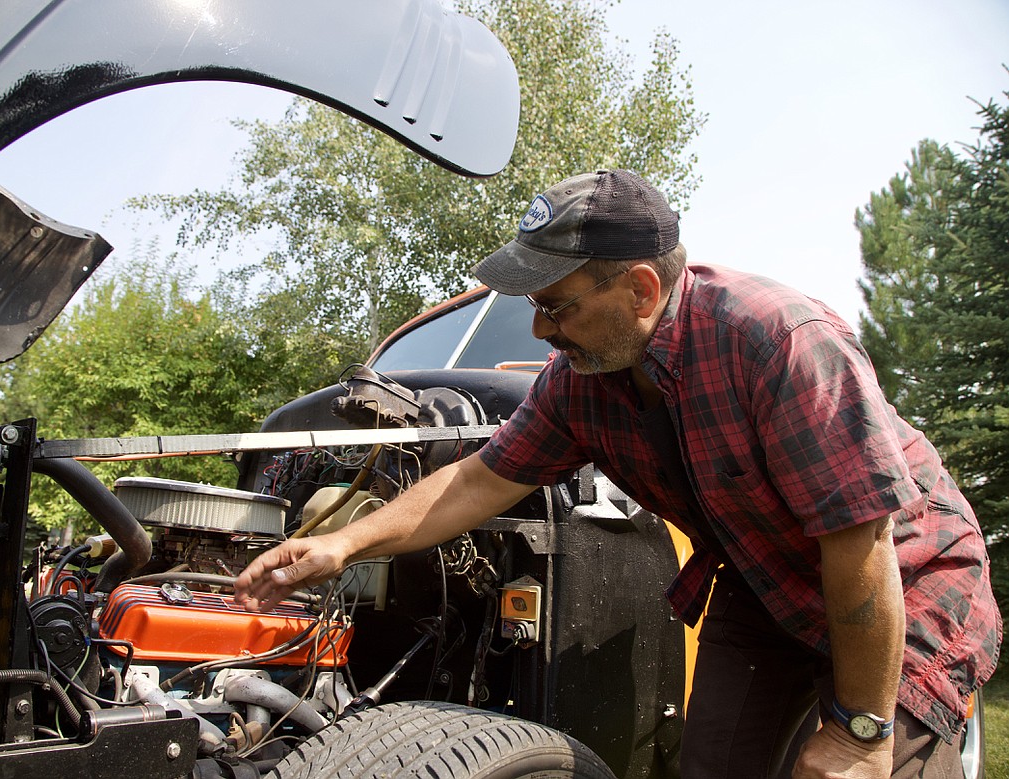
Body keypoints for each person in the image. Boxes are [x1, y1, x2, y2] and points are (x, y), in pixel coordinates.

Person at [234, 169, 1001, 778]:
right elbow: (477, 479)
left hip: (904, 580)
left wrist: (862, 733)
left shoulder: (780, 340)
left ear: (640, 288)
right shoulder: (578, 384)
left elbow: (860, 540)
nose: (539, 328)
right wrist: (342, 546)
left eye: (556, 306)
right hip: (764, 581)